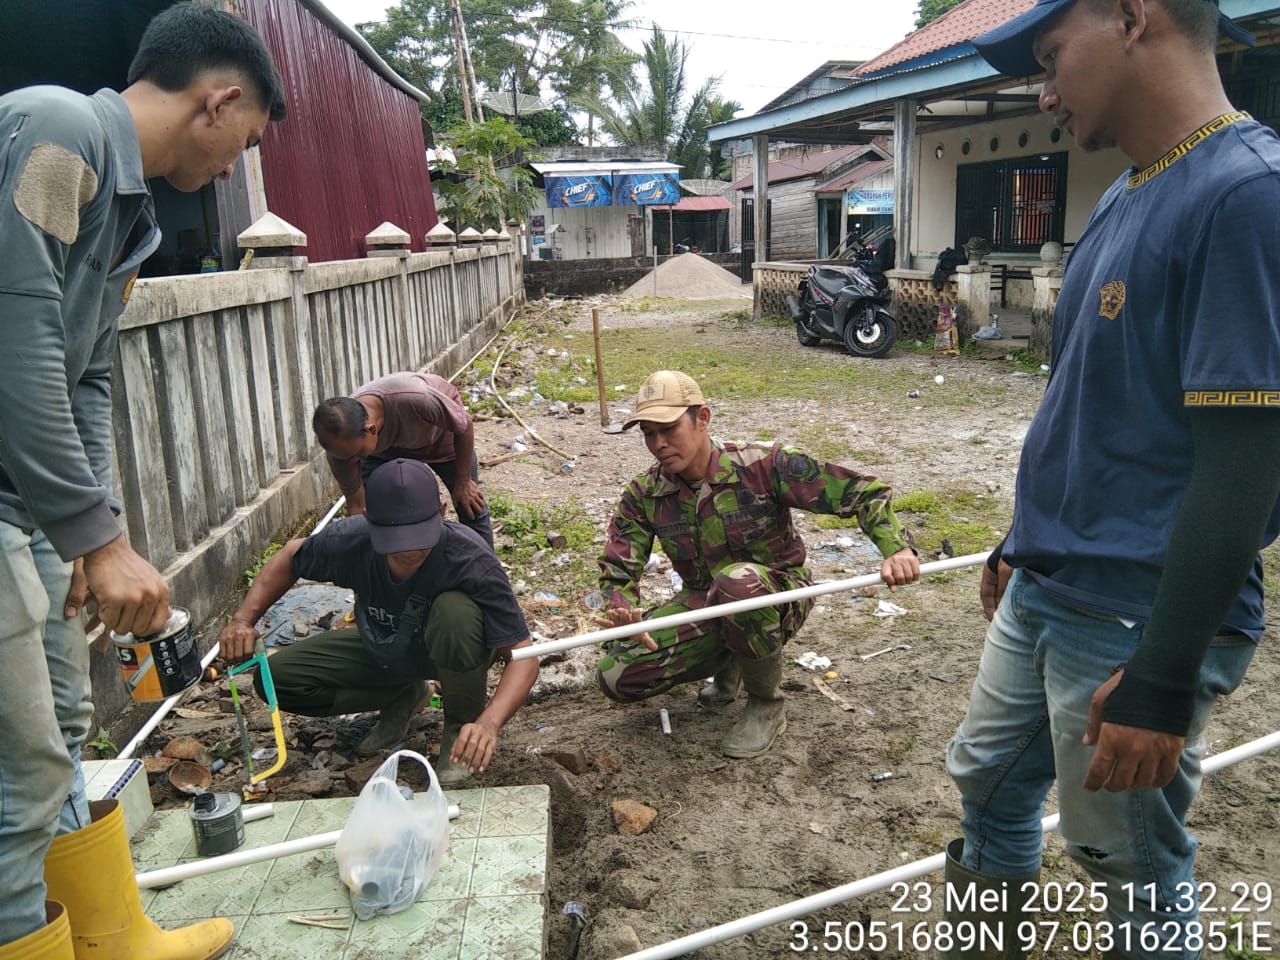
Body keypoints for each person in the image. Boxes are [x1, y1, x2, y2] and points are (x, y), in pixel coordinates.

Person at [941, 3, 1280, 957]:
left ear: (1133, 17)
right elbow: (1095, 407)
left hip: (1134, 615)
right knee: (989, 785)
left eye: (1051, 58)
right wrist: (1024, 536)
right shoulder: (1130, 194)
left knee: (1127, 861)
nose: (1044, 91)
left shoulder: (1247, 197)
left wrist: (1165, 680)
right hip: (1050, 584)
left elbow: (1247, 458)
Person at [0, 4, 285, 957]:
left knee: (68, 723)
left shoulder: (130, 222)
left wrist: (95, 527)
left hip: (24, 503)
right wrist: (94, 538)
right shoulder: (59, 131)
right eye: (242, 144)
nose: (232, 168)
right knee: (19, 765)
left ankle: (111, 938)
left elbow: (85, 380)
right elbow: (18, 339)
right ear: (220, 99)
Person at [595, 370, 920, 758]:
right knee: (618, 676)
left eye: (668, 428)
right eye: (649, 433)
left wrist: (897, 548)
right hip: (705, 602)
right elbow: (618, 566)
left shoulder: (764, 465)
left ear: (702, 419)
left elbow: (862, 492)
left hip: (778, 594)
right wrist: (621, 611)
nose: (659, 444)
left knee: (738, 582)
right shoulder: (644, 493)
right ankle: (731, 659)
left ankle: (765, 703)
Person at [219, 458, 537, 788]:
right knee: (278, 679)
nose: (410, 550)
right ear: (371, 523)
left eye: (419, 536)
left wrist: (488, 723)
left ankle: (459, 728)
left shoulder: (471, 559)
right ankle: (402, 695)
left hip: (455, 649)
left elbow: (524, 656)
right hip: (386, 646)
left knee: (453, 613)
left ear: (441, 514)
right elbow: (289, 557)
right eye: (396, 541)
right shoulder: (351, 541)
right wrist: (243, 620)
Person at [313, 371, 493, 548]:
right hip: (384, 453)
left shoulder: (416, 398)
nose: (352, 462)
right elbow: (357, 507)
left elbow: (465, 425)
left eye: (357, 454)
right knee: (381, 512)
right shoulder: (341, 450)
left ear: (372, 430)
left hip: (440, 439)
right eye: (344, 458)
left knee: (469, 504)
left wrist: (463, 481)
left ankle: (485, 565)